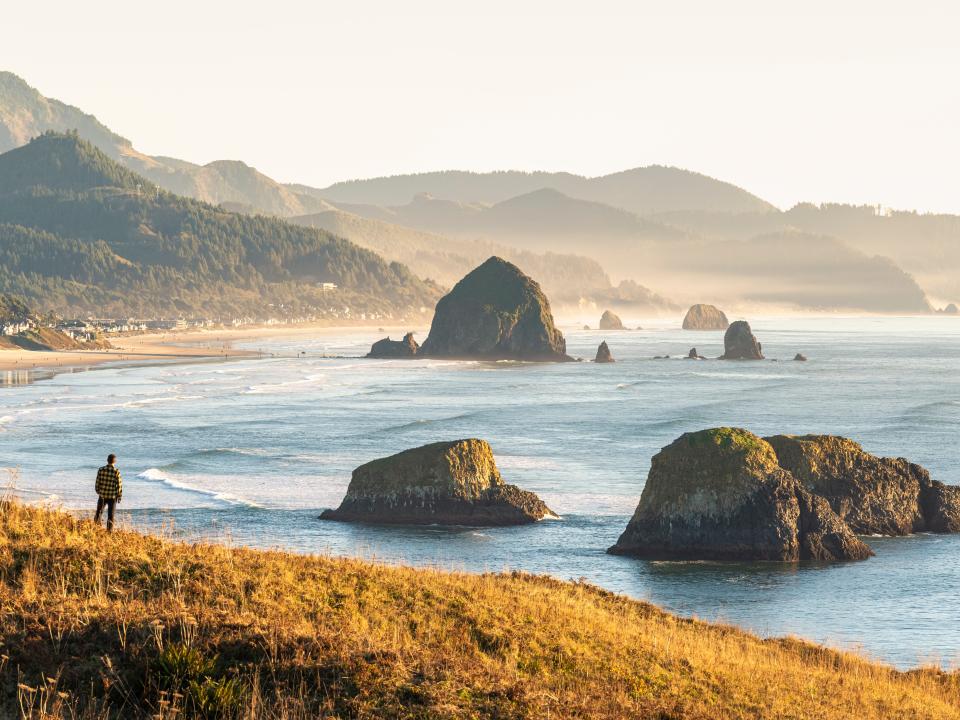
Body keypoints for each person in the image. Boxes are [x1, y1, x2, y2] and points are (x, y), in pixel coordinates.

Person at [94, 453, 123, 531]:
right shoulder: (116, 471)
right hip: (112, 497)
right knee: (111, 515)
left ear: (107, 460)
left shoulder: (101, 469)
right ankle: (109, 532)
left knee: (99, 512)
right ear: (115, 461)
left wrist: (99, 491)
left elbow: (97, 482)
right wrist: (119, 495)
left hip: (102, 495)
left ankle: (96, 528)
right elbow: (119, 485)